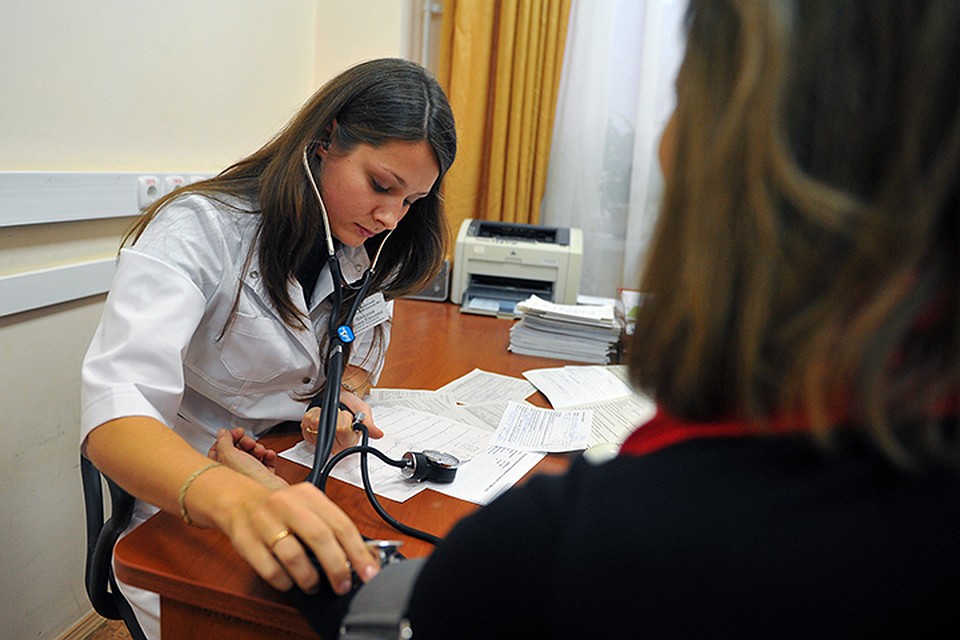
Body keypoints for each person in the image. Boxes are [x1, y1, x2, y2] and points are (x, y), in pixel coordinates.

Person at [218, 1, 960, 638]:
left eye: (680, 103)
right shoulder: (212, 230)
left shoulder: (601, 542)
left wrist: (281, 494)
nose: (391, 216)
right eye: (383, 188)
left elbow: (382, 608)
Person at [80, 57, 457, 639]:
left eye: (410, 201)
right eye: (381, 186)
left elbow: (357, 351)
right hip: (188, 501)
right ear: (325, 139)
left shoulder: (361, 246)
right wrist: (241, 499)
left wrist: (338, 398)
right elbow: (114, 414)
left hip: (288, 473)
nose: (389, 217)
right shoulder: (200, 229)